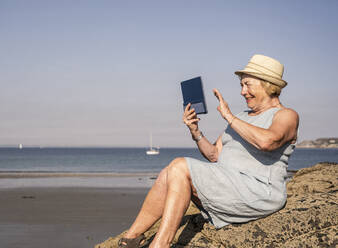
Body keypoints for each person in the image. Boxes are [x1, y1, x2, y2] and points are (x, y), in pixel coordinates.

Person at [118, 54, 299, 248]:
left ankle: (160, 245)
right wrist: (195, 131)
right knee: (168, 173)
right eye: (241, 85)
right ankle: (131, 239)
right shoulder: (241, 117)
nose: (242, 92)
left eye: (248, 84)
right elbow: (214, 154)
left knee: (180, 166)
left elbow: (268, 142)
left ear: (268, 85)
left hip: (258, 191)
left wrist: (229, 116)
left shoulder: (286, 115)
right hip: (229, 183)